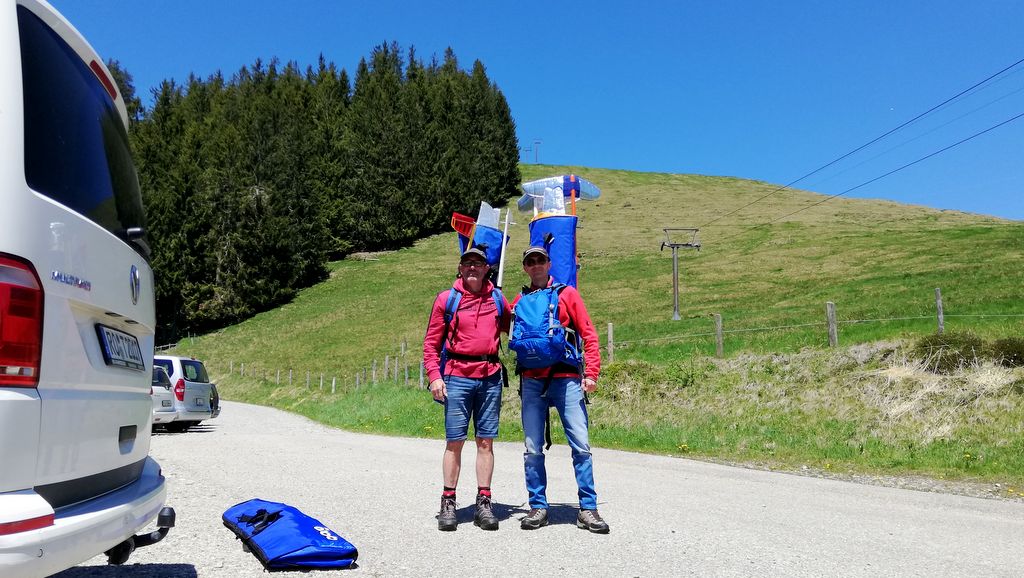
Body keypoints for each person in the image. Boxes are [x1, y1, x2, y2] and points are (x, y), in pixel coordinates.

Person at [513, 246, 609, 533]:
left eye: (540, 260)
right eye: (530, 261)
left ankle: (588, 508)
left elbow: (589, 334)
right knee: (532, 448)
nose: (536, 265)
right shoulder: (519, 300)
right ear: (525, 268)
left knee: (581, 445)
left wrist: (591, 373)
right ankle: (538, 506)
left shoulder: (568, 295)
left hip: (566, 378)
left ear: (549, 263)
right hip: (531, 380)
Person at [423, 246, 511, 531]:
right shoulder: (446, 300)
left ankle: (484, 503)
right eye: (467, 263)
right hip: (456, 377)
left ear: (487, 269)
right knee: (455, 441)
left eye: (478, 263)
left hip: (490, 376)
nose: (472, 267)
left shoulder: (497, 299)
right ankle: (448, 502)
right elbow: (431, 344)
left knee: (486, 442)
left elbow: (514, 327)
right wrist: (434, 376)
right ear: (460, 269)